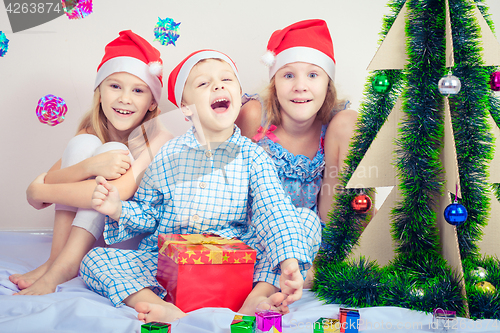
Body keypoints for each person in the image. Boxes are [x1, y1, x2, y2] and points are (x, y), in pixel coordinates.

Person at [81, 50, 321, 323]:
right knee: (95, 260)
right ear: (186, 108)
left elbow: (274, 210)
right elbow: (149, 214)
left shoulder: (253, 156)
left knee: (303, 220)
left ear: (239, 98)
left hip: (236, 262)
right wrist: (118, 209)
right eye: (204, 84)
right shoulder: (169, 154)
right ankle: (157, 304)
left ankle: (256, 298)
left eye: (226, 80)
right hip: (171, 262)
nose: (218, 86)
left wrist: (289, 262)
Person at [9, 30, 172, 295]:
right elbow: (52, 182)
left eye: (138, 90)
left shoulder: (159, 137)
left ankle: (66, 264)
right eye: (115, 85)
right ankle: (56, 258)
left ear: (152, 102)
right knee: (83, 145)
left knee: (115, 150)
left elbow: (116, 193)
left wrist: (39, 190)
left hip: (129, 238)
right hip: (92, 235)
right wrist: (89, 167)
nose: (124, 98)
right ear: (100, 91)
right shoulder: (90, 133)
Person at [235, 19, 358, 288]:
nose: (300, 86)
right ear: (274, 84)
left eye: (313, 75)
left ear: (328, 83)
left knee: (350, 121)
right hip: (258, 236)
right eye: (288, 75)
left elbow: (335, 205)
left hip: (312, 239)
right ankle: (268, 278)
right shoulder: (255, 116)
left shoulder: (335, 126)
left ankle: (315, 270)